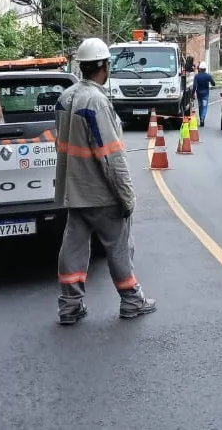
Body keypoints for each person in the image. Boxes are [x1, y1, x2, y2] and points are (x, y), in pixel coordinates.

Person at [53, 38, 157, 325]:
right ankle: (132, 302)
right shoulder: (97, 101)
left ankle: (69, 306)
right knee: (119, 247)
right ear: (104, 67)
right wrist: (126, 198)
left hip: (74, 193)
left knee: (72, 248)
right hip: (101, 195)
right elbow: (111, 157)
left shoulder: (65, 99)